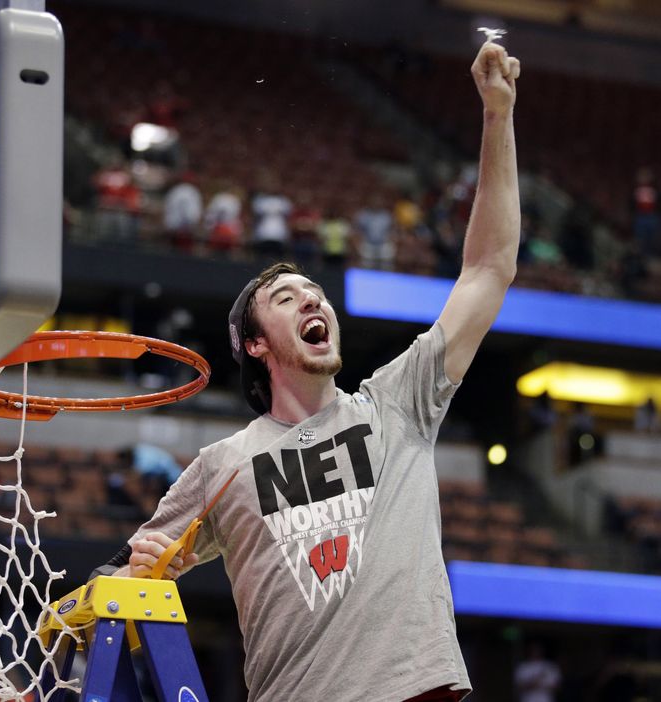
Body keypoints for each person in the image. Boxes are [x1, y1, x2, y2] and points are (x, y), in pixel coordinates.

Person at [93, 40, 521, 701]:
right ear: (257, 344)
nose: (312, 299)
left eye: (314, 292)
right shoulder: (221, 463)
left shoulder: (397, 403)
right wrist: (144, 569)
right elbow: (126, 576)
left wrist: (497, 117)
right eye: (286, 298)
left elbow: (488, 268)